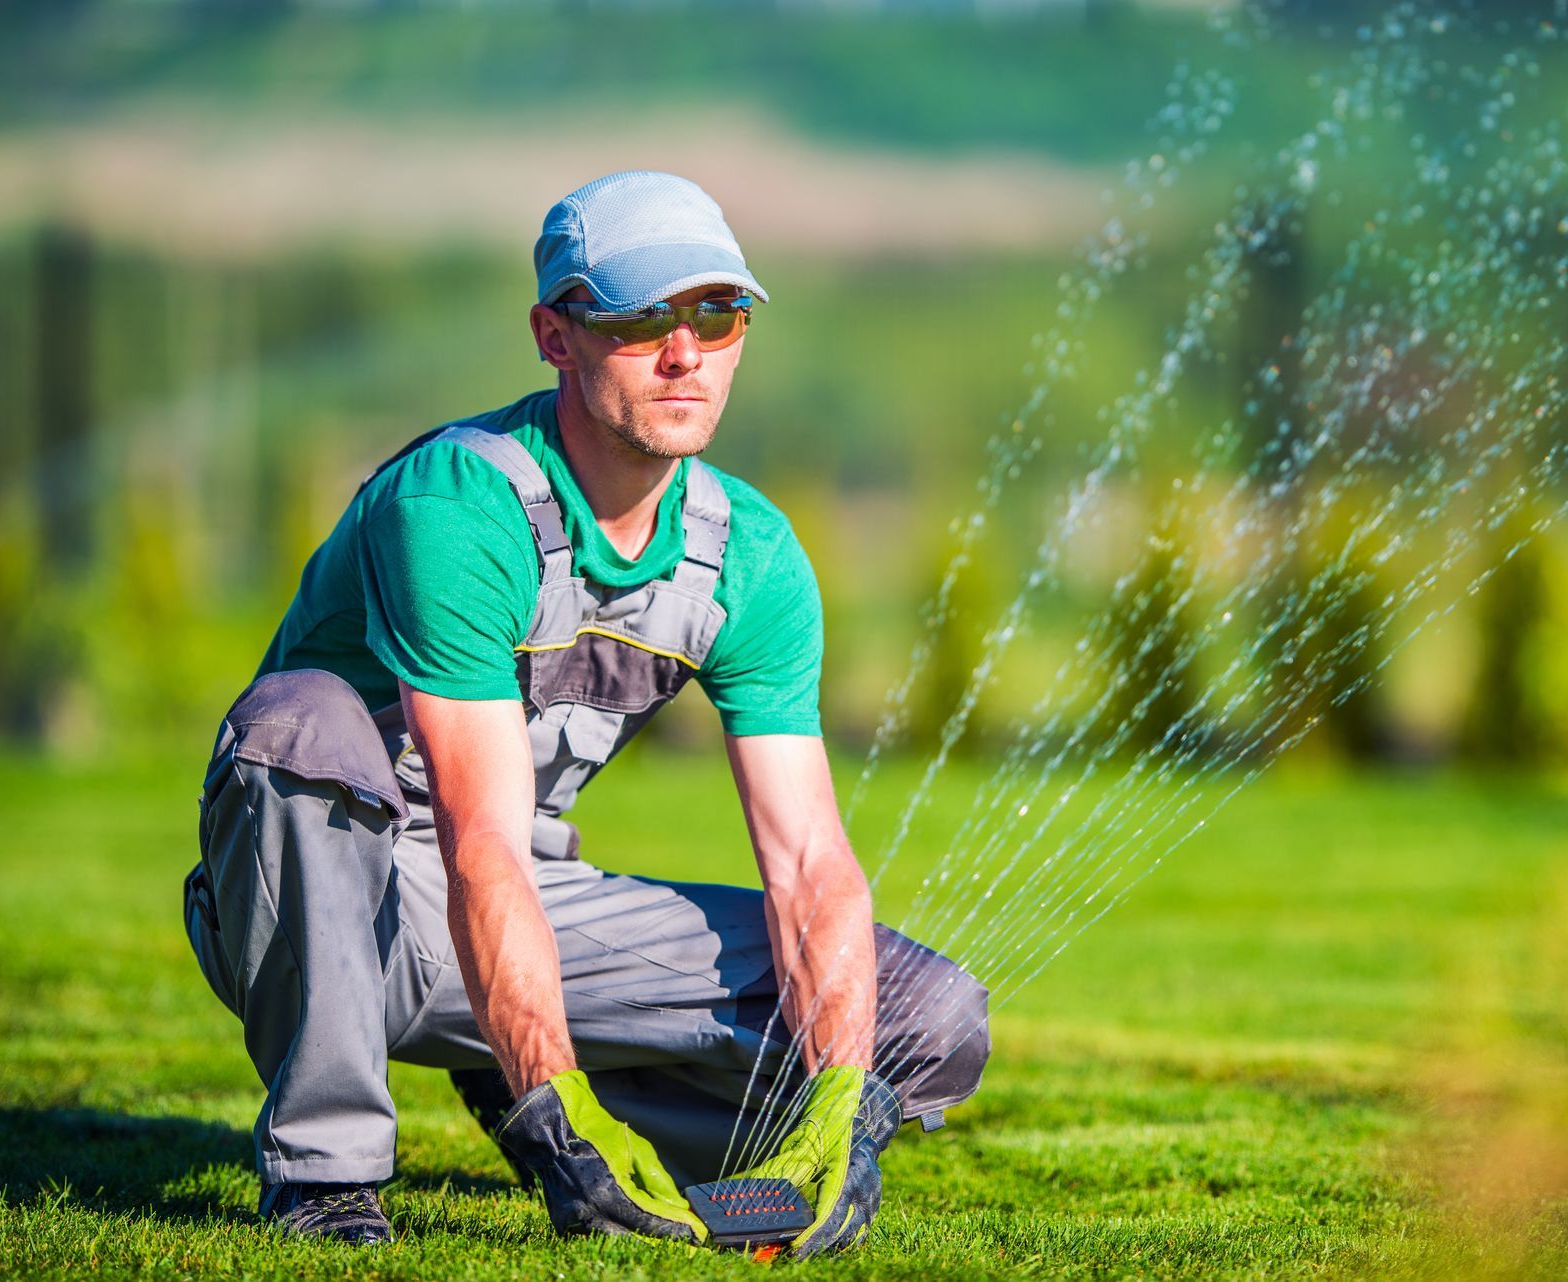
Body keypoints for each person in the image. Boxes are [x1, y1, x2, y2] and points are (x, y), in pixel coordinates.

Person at [180, 171, 989, 1252]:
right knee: (299, 724)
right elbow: (479, 847)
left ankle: (638, 1127)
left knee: (921, 1018)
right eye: (639, 318)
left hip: (529, 901)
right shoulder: (458, 507)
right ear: (553, 336)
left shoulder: (750, 556)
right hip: (326, 911)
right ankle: (331, 1181)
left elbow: (808, 864)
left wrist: (839, 1092)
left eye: (715, 314)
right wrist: (555, 1103)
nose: (684, 352)